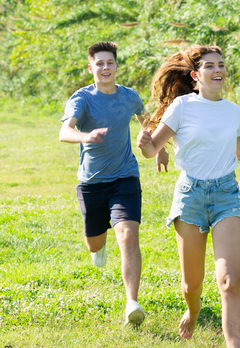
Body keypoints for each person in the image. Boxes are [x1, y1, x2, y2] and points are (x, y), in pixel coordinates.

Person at [137, 45, 240, 348]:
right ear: (196, 77)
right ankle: (193, 310)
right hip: (191, 197)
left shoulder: (232, 110)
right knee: (191, 283)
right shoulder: (182, 106)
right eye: (210, 66)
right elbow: (153, 147)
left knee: (229, 282)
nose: (218, 70)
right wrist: (145, 145)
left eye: (222, 65)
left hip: (227, 194)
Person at [59, 41, 159, 327]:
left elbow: (147, 122)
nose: (105, 67)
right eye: (99, 63)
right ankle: (97, 247)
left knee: (128, 235)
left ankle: (132, 302)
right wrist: (86, 136)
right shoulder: (82, 98)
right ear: (91, 68)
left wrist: (158, 148)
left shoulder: (129, 96)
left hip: (125, 177)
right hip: (91, 182)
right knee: (95, 241)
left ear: (116, 66)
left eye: (110, 62)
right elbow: (65, 131)